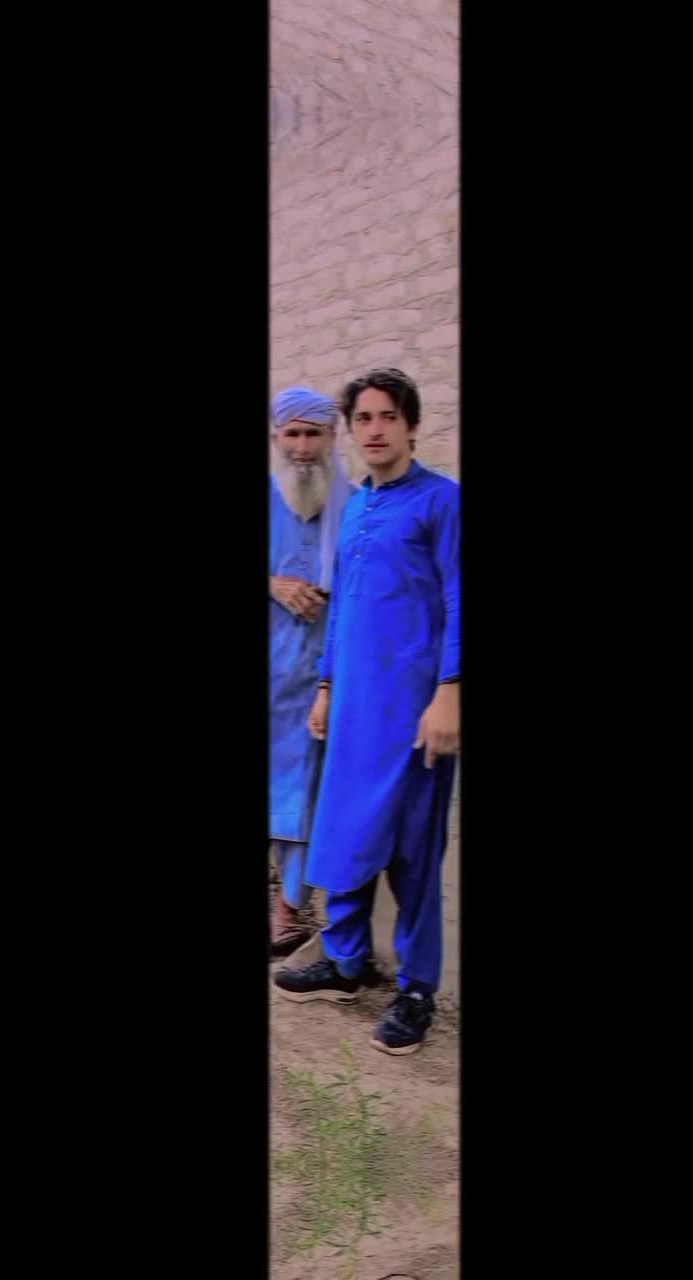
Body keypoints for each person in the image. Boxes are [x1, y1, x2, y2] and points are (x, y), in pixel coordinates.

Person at [274, 368, 460, 1055]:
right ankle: (347, 962)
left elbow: (460, 599)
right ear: (350, 431)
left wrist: (450, 691)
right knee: (346, 834)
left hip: (413, 712)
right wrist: (326, 687)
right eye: (363, 419)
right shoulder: (355, 508)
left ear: (411, 425)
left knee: (412, 851)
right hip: (352, 709)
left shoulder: (442, 501)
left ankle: (416, 991)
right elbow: (344, 608)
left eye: (388, 417)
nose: (375, 430)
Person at [269, 385, 356, 956]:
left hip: (323, 677)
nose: (303, 447)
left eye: (314, 434)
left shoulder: (356, 506)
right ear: (276, 438)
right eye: (292, 434)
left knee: (307, 788)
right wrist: (273, 583)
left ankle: (288, 912)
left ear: (332, 438)